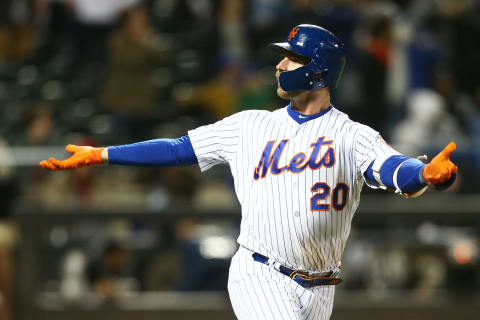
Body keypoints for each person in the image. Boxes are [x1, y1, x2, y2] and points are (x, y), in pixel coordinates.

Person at [39, 24, 458, 320]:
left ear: (319, 69)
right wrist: (104, 154)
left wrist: (427, 174)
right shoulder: (250, 125)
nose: (280, 65)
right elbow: (178, 149)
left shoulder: (353, 135)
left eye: (293, 57)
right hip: (261, 271)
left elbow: (395, 171)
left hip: (322, 287)